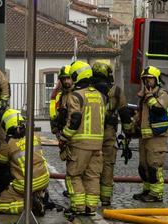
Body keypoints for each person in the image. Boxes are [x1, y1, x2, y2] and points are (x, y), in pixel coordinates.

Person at [61, 62, 105, 220]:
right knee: (92, 176)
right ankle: (90, 207)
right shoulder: (100, 96)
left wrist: (65, 135)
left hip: (80, 144)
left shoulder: (76, 95)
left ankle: (78, 207)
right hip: (97, 145)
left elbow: (75, 118)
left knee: (74, 175)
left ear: (76, 76)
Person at [0, 108, 50, 216]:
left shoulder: (7, 144)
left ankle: (29, 205)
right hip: (44, 180)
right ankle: (38, 198)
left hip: (25, 184)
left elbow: (0, 165)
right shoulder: (34, 136)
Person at [132, 65, 168, 203]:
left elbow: (159, 108)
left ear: (156, 80)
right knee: (144, 166)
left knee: (155, 166)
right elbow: (141, 113)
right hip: (145, 135)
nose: (147, 82)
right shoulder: (144, 95)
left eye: (150, 79)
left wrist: (149, 98)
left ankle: (156, 194)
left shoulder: (162, 93)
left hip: (157, 136)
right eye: (145, 79)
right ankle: (147, 190)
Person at [91, 59, 126, 207]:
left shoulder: (88, 90)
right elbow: (124, 112)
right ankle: (105, 198)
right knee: (108, 164)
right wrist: (128, 134)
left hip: (90, 132)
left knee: (90, 164)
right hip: (108, 132)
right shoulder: (116, 91)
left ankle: (89, 197)